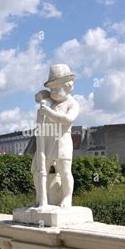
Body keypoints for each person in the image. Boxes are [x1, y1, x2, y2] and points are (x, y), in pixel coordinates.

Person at [32, 64, 80, 208]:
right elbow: (39, 96)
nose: (52, 92)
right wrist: (42, 95)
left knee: (64, 171)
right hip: (46, 142)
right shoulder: (53, 101)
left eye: (55, 88)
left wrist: (48, 113)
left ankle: (67, 197)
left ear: (68, 87)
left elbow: (67, 120)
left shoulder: (72, 104)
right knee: (37, 169)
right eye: (50, 89)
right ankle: (41, 198)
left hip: (62, 142)